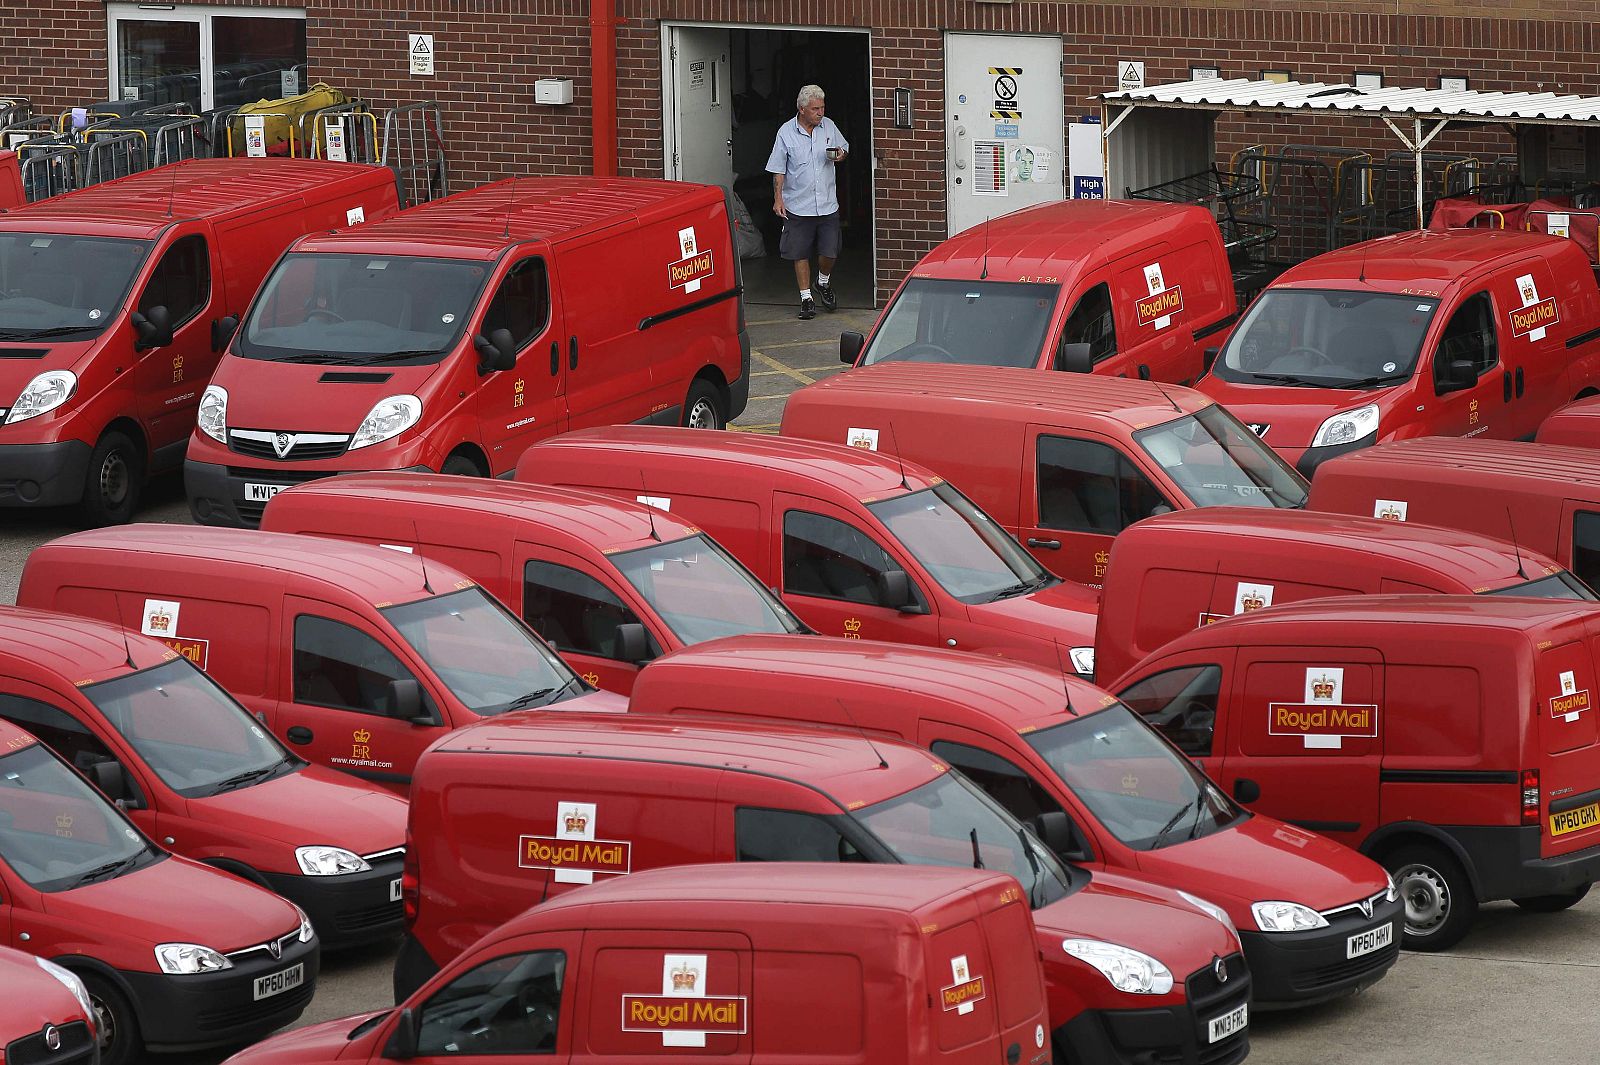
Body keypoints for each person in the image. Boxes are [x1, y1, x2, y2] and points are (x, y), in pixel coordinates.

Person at [767, 84, 849, 320]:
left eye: (822, 107)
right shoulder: (785, 132)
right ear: (801, 109)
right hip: (798, 205)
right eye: (815, 109)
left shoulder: (829, 126)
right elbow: (778, 169)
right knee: (799, 252)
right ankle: (806, 299)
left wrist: (841, 154)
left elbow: (844, 147)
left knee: (830, 251)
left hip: (827, 203)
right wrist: (778, 198)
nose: (820, 113)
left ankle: (822, 282)